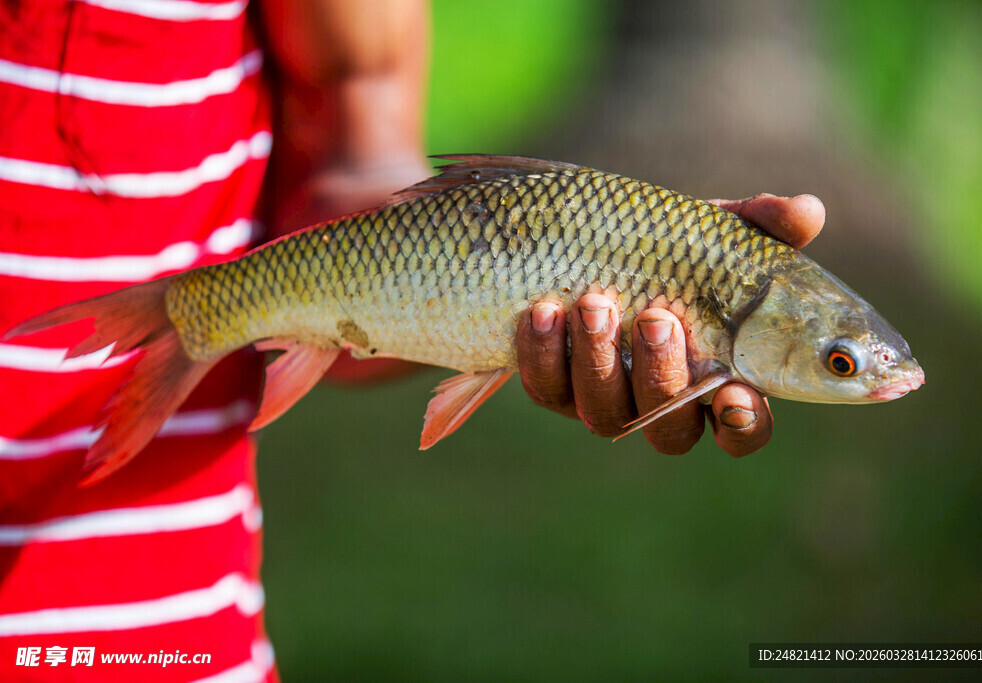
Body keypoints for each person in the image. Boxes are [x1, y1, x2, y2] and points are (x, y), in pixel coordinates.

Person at [0, 1, 824, 679]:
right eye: (838, 359)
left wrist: (504, 302)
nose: (839, 368)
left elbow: (353, 145)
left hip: (159, 630)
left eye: (837, 361)